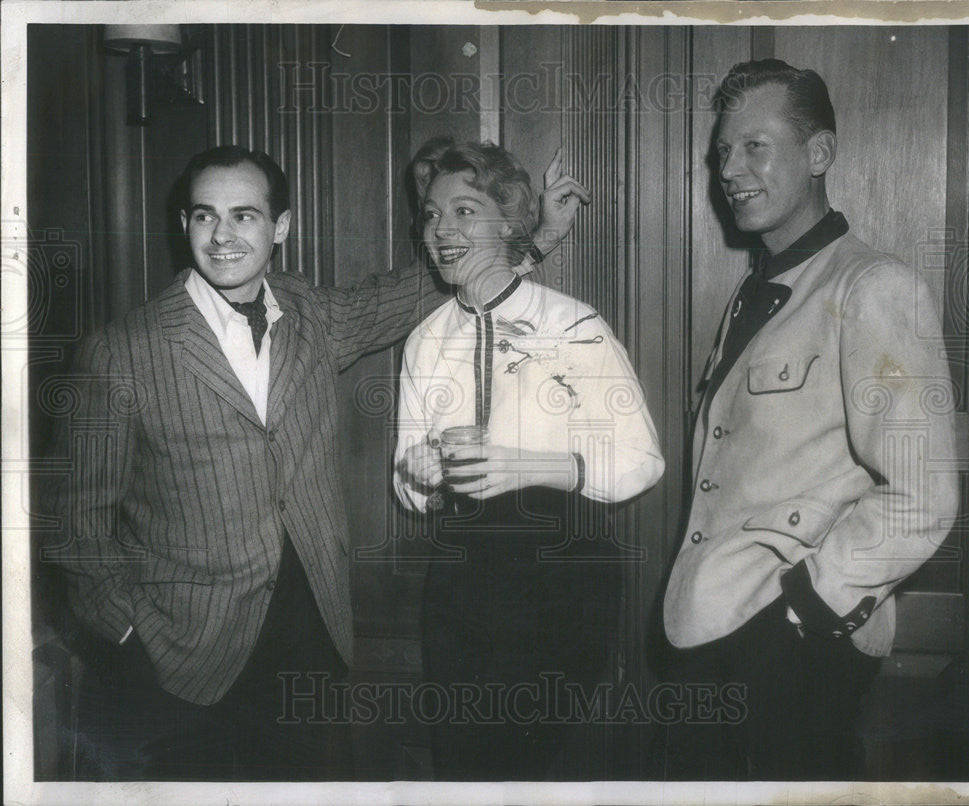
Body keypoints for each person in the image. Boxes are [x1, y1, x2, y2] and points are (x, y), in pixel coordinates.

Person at [43, 143, 586, 781]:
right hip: (174, 661)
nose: (221, 236)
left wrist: (540, 237)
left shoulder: (309, 315)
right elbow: (72, 522)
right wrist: (129, 634)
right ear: (183, 223)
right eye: (203, 216)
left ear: (280, 227)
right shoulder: (121, 352)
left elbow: (417, 286)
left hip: (308, 646)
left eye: (243, 216)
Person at [660, 59, 959, 780]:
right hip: (714, 638)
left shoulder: (874, 287)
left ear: (819, 154)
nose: (730, 168)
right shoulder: (757, 293)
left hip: (793, 649)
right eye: (723, 152)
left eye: (755, 146)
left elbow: (923, 496)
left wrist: (803, 612)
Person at [394, 141, 665, 780]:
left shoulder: (574, 325)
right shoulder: (425, 341)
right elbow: (407, 477)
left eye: (464, 211)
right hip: (461, 579)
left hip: (561, 577)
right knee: (462, 768)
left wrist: (535, 466)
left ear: (510, 224)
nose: (441, 230)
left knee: (529, 768)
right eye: (432, 215)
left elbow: (641, 460)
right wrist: (418, 477)